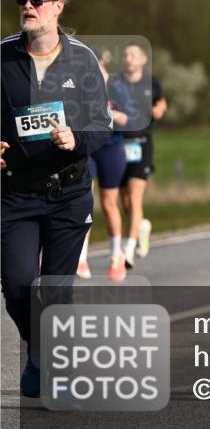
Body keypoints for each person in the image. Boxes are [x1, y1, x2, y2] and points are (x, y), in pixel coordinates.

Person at [1, 0, 112, 397]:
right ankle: (39, 350)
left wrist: (75, 139)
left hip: (68, 191)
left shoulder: (83, 61)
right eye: (22, 0)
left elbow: (101, 125)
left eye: (37, 0)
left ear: (58, 6)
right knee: (15, 284)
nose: (28, 6)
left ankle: (53, 371)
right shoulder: (3, 56)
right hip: (15, 192)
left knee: (55, 289)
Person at [77, 48, 134, 282]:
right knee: (84, 200)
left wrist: (108, 112)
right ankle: (80, 257)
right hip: (89, 147)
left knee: (109, 203)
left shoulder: (117, 88)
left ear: (103, 63)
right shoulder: (82, 86)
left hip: (111, 148)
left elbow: (127, 118)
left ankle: (116, 255)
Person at [110, 43, 166, 267]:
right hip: (118, 144)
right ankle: (141, 225)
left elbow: (161, 102)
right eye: (125, 54)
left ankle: (129, 250)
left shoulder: (151, 82)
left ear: (143, 59)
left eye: (134, 54)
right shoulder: (115, 83)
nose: (129, 58)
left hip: (141, 144)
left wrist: (159, 110)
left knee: (134, 197)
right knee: (124, 199)